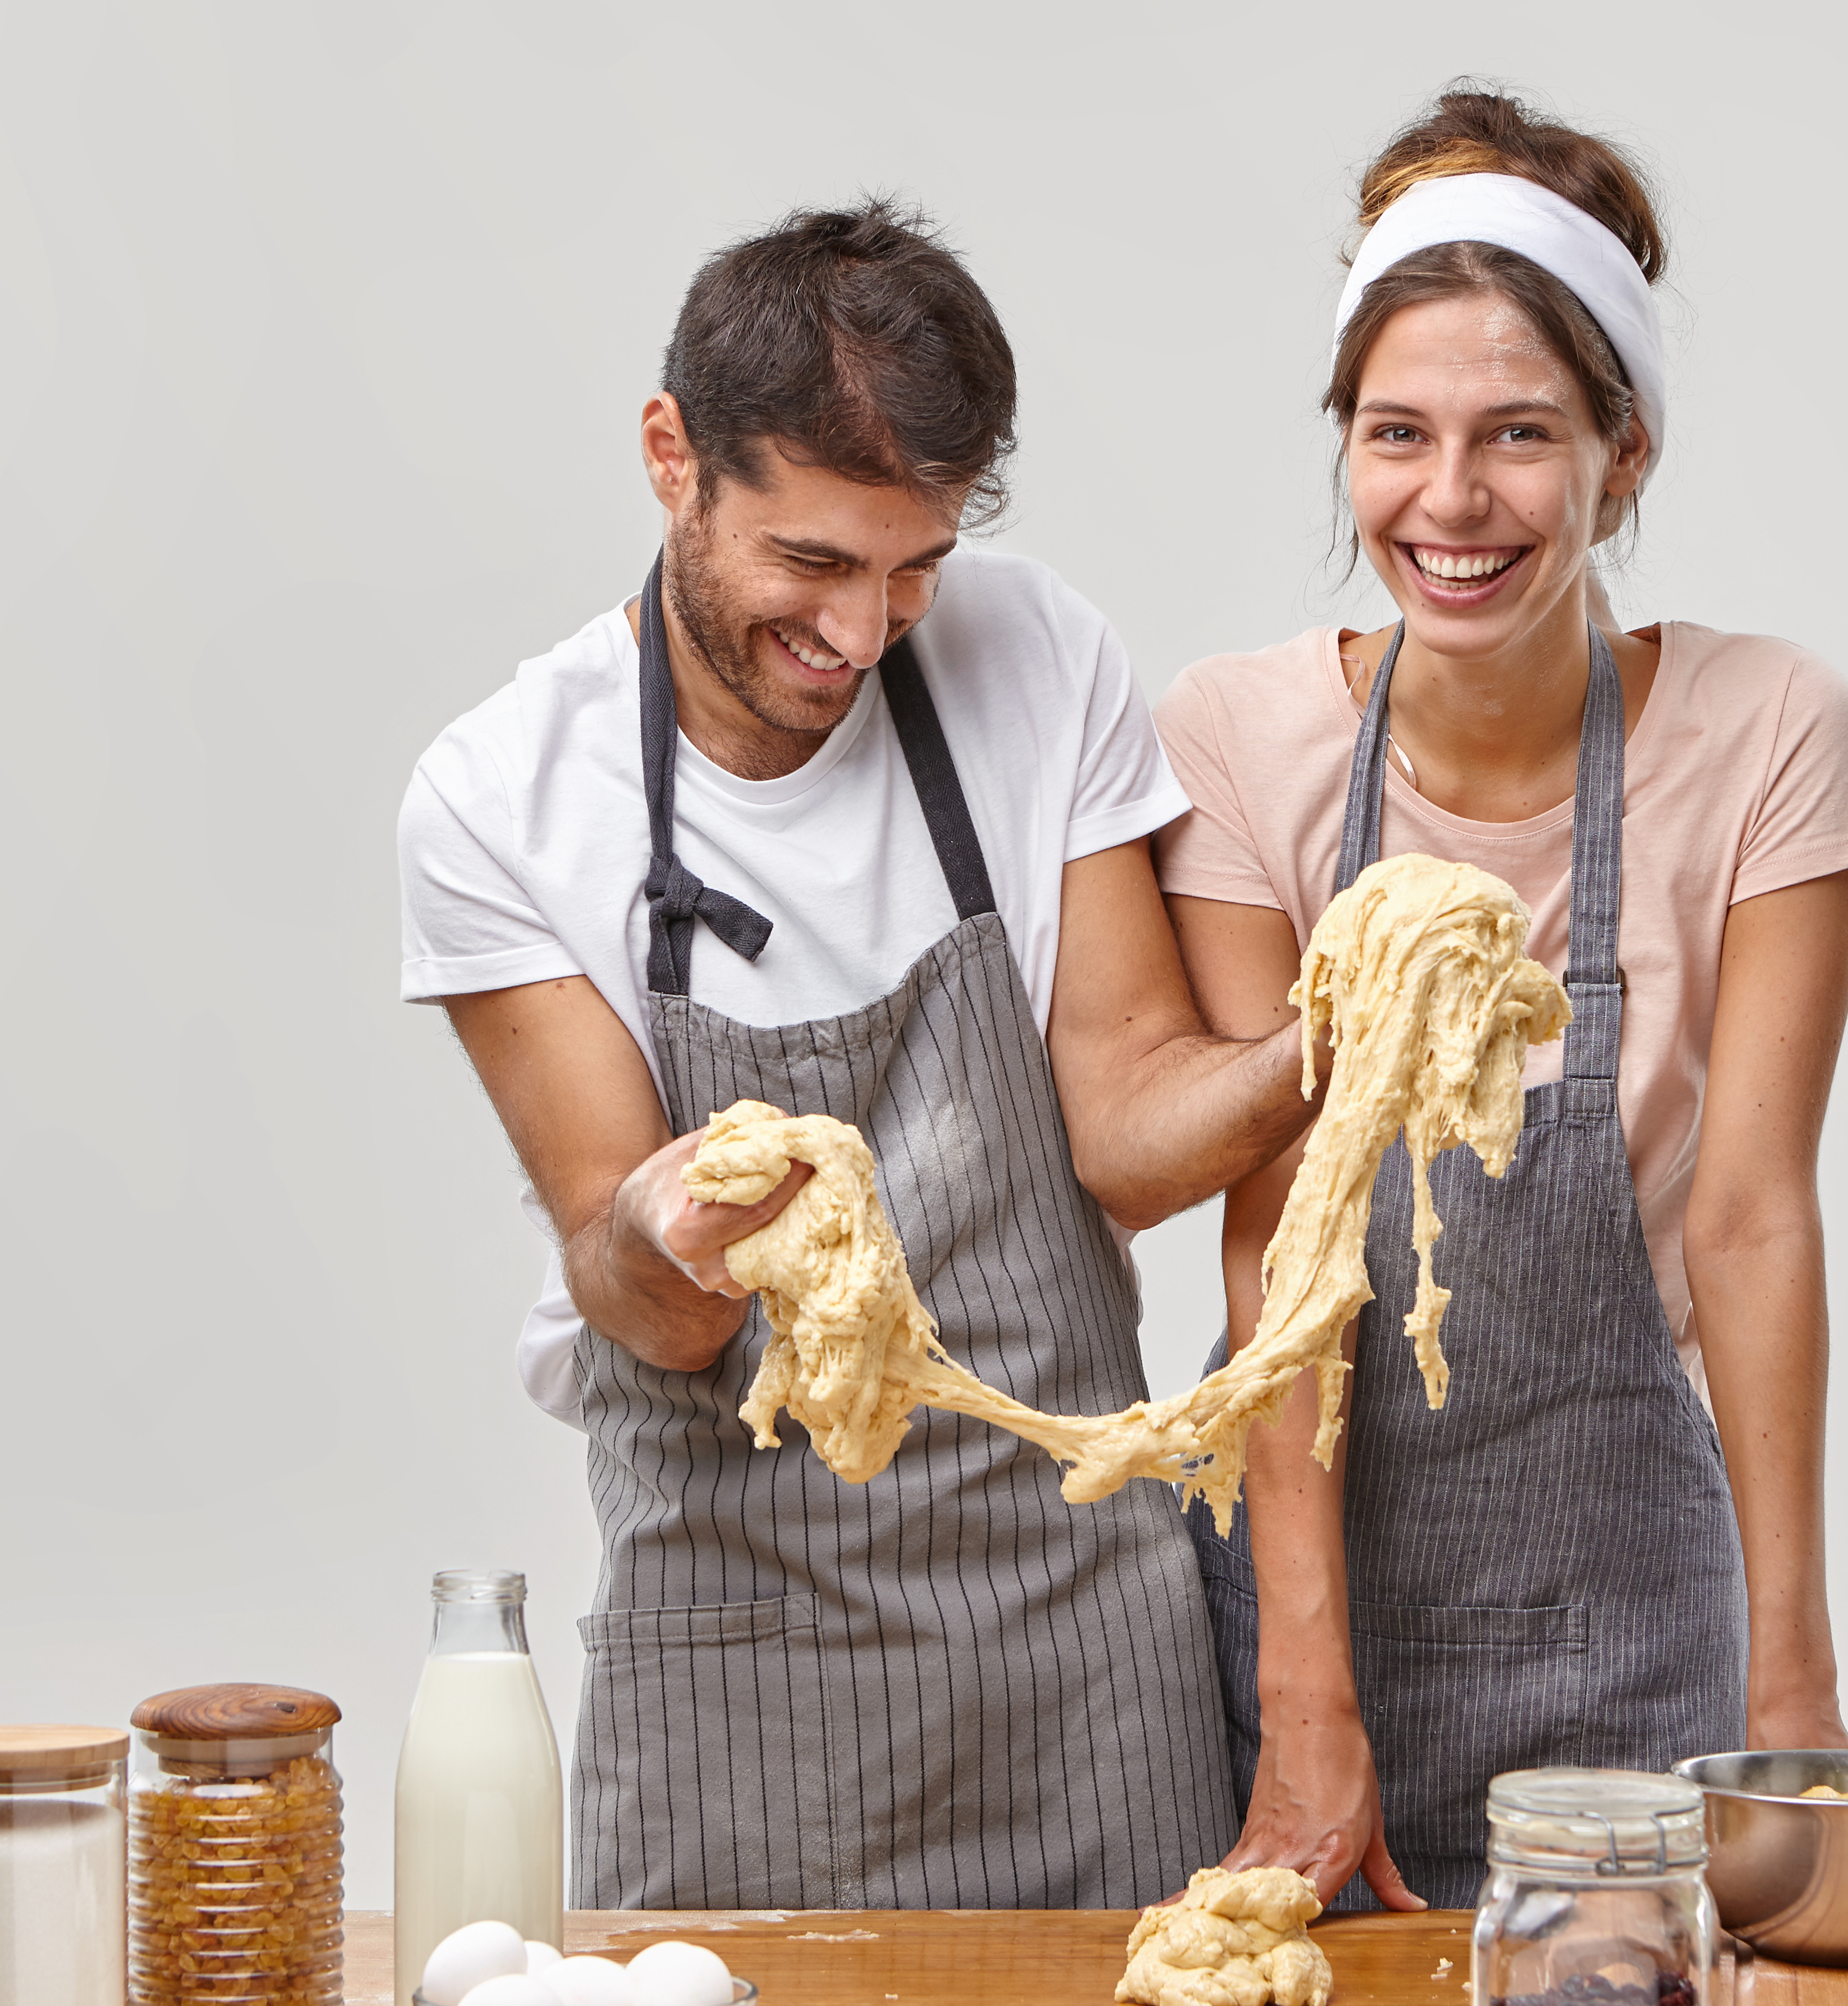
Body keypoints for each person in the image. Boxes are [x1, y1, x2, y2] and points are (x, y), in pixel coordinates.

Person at [398, 201, 1318, 1910]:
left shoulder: (1037, 658)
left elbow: (1120, 1129)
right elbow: (634, 1284)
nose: (863, 630)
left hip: (1080, 1652)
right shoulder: (503, 799)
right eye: (812, 563)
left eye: (915, 569)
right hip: (741, 1663)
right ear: (673, 457)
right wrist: (671, 1226)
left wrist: (1318, 1050)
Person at [1154, 89, 1848, 1909]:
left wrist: (1793, 1679)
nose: (1453, 500)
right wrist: (1307, 1694)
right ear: (1344, 442)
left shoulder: (1768, 734)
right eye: (1396, 434)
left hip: (1632, 1605)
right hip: (1305, 1569)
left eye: (1520, 435)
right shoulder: (1239, 739)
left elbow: (1747, 1224)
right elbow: (1281, 1255)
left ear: (1623, 453)